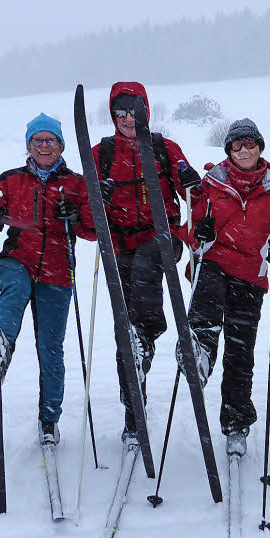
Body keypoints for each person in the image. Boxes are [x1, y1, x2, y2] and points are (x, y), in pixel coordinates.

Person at [91, 81, 199, 438]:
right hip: (120, 244)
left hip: (162, 238)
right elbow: (88, 222)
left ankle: (147, 336)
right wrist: (100, 198)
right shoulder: (101, 153)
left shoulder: (164, 148)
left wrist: (190, 183)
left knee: (144, 273)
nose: (126, 118)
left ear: (146, 111)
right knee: (124, 325)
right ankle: (133, 408)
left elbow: (197, 202)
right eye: (119, 111)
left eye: (133, 110)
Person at [178, 118, 270, 456]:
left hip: (250, 275)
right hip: (214, 263)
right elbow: (191, 230)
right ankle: (199, 350)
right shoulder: (212, 183)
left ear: (260, 146)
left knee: (241, 353)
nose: (244, 150)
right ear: (228, 150)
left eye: (250, 143)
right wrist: (202, 232)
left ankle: (237, 420)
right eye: (237, 145)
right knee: (207, 301)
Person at [0, 114, 95, 446]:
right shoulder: (11, 180)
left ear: (61, 146)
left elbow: (92, 231)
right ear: (29, 146)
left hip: (58, 271)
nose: (45, 146)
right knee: (15, 289)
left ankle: (49, 419)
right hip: (16, 259)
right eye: (38, 140)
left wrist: (76, 217)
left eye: (51, 140)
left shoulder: (76, 184)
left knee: (51, 349)